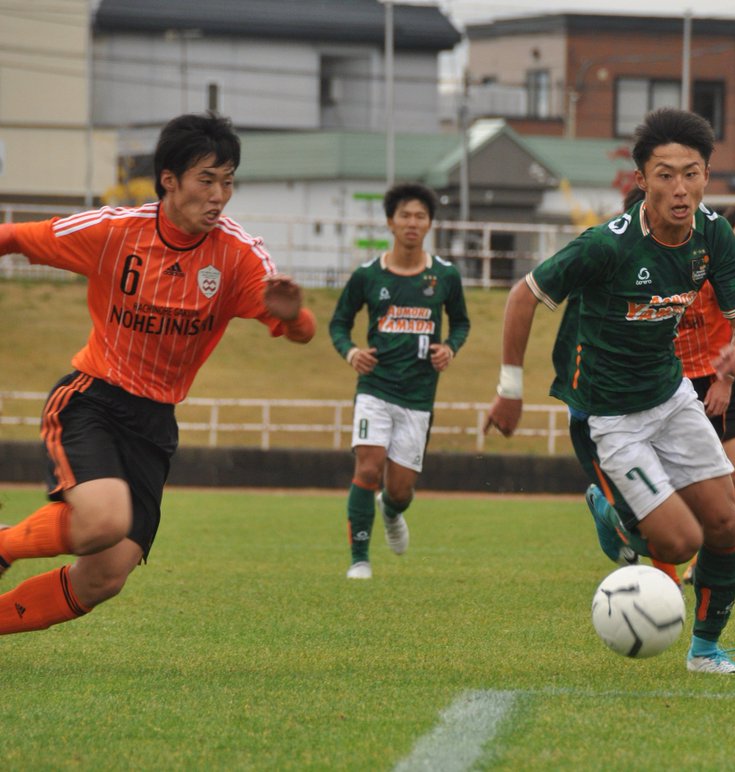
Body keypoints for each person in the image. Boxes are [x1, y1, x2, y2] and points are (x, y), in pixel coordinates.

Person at [0, 111, 316, 634]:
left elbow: (301, 331)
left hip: (154, 425)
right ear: (169, 180)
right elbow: (13, 236)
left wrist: (292, 316)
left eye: (228, 182)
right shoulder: (115, 232)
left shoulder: (238, 257)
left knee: (104, 576)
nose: (219, 195)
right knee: (104, 521)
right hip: (92, 399)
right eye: (206, 180)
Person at [486, 108, 735, 675]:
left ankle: (706, 651)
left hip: (670, 394)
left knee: (727, 524)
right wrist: (509, 389)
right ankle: (617, 522)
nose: (679, 189)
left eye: (691, 173)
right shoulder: (606, 246)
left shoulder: (714, 234)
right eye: (665, 174)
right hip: (607, 415)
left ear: (707, 175)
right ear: (641, 180)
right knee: (679, 544)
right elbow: (522, 296)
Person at [328, 183, 470, 579]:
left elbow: (461, 322)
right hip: (375, 388)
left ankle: (390, 511)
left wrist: (450, 348)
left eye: (420, 216)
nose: (412, 222)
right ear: (390, 221)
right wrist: (352, 351)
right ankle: (359, 559)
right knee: (368, 468)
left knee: (399, 490)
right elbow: (339, 322)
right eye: (405, 215)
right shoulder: (367, 276)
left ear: (429, 224)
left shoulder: (444, 276)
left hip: (419, 396)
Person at [666, 202, 735, 587]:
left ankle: (717, 551)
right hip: (700, 379)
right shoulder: (708, 280)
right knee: (704, 478)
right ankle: (682, 553)